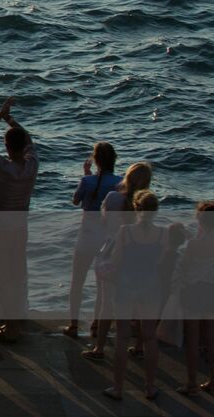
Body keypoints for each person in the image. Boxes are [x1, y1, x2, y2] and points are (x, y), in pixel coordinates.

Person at [0, 96, 38, 340]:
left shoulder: (1, 168)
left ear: (6, 146)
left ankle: (9, 326)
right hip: (19, 228)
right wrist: (10, 120)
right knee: (15, 274)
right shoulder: (32, 165)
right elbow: (29, 140)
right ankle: (15, 322)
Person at [103, 189, 168, 402]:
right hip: (150, 286)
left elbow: (116, 261)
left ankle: (118, 388)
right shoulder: (162, 234)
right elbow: (162, 265)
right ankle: (150, 387)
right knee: (149, 337)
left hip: (126, 284)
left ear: (136, 208)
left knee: (122, 338)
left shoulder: (125, 232)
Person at [84, 159, 154, 360]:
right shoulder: (147, 203)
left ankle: (99, 348)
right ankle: (140, 346)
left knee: (107, 303)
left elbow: (105, 222)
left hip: (113, 251)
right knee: (139, 303)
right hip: (139, 256)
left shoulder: (113, 197)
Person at [64, 141, 119, 339]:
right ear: (114, 159)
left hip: (86, 236)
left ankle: (73, 325)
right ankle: (96, 324)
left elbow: (76, 200)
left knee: (77, 281)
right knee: (101, 286)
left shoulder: (87, 182)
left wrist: (86, 175)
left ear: (96, 161)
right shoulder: (120, 183)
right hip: (106, 239)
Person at [174, 202, 214, 396]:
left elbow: (185, 267)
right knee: (211, 337)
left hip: (194, 291)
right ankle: (212, 381)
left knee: (192, 338)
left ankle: (191, 383)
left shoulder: (195, 243)